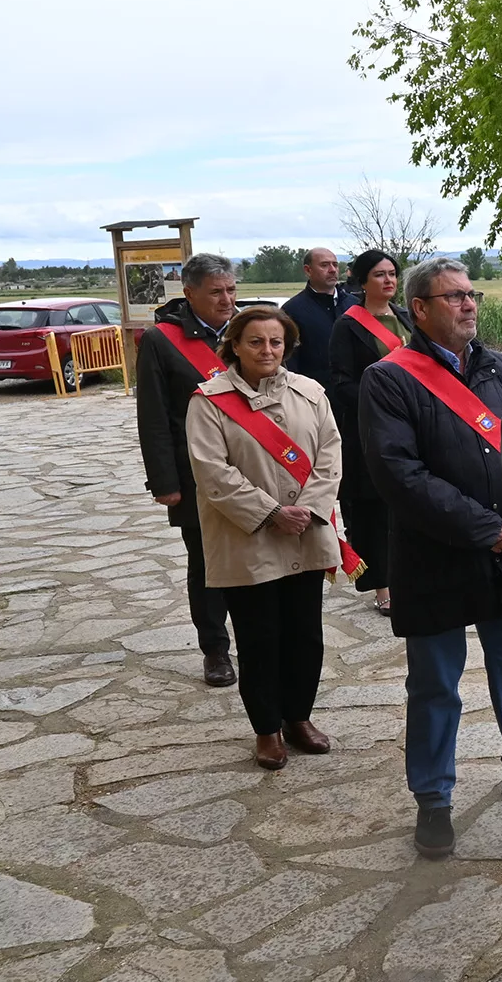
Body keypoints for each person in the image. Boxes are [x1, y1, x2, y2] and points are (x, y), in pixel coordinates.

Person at [359, 258, 502, 860]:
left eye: (472, 294)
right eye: (454, 296)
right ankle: (433, 798)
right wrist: (490, 529)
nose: (469, 304)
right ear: (419, 308)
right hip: (434, 554)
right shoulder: (388, 379)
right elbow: (399, 475)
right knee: (435, 683)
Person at [184, 305, 341, 769]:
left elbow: (330, 456)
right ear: (235, 344)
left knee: (305, 636)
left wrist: (308, 508)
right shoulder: (208, 401)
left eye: (276, 341)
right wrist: (271, 513)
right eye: (255, 341)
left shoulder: (311, 393)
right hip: (247, 537)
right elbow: (212, 472)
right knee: (259, 639)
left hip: (305, 532)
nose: (266, 350)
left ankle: (298, 717)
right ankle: (267, 728)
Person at [136, 252, 239, 687]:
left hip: (252, 469)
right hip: (195, 474)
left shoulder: (247, 331)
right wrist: (165, 482)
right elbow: (153, 417)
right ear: (189, 293)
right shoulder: (161, 341)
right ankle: (215, 649)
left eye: (231, 290)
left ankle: (257, 637)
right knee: (207, 563)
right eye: (216, 292)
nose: (227, 300)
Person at [328, 250, 410, 617]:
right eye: (379, 274)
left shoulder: (407, 317)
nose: (388, 280)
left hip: (413, 426)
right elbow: (341, 383)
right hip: (371, 428)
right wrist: (385, 399)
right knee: (375, 511)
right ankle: (383, 587)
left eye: (392, 273)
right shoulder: (348, 326)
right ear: (362, 281)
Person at [282, 247, 357, 386]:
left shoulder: (355, 305)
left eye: (335, 264)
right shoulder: (292, 310)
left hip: (355, 393)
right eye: (324, 265)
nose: (332, 270)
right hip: (314, 392)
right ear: (308, 270)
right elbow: (290, 361)